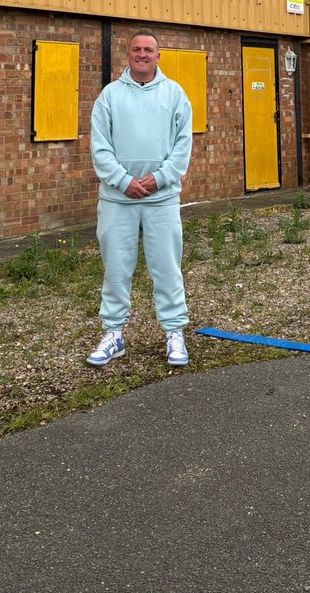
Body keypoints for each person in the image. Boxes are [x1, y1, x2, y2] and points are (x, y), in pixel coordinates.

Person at [87, 30, 193, 367]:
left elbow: (182, 148)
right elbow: (99, 147)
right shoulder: (109, 97)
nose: (142, 54)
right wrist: (123, 181)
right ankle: (113, 334)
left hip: (162, 200)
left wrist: (159, 178)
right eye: (136, 49)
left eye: (149, 50)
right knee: (116, 269)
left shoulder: (175, 95)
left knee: (166, 268)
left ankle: (174, 332)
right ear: (128, 54)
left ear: (158, 56)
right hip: (118, 200)